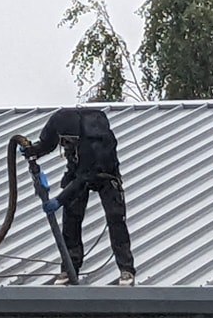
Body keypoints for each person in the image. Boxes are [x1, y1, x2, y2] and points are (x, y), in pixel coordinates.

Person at [24, 107, 136, 286]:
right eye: (64, 141)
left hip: (104, 174)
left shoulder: (94, 142)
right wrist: (33, 151)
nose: (67, 144)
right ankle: (69, 268)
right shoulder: (58, 122)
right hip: (77, 172)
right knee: (71, 219)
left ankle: (126, 269)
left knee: (115, 218)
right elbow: (47, 144)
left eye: (70, 141)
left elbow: (86, 176)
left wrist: (59, 200)